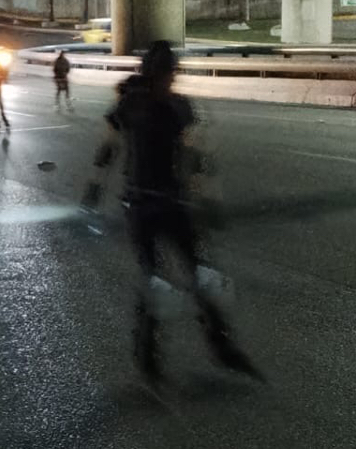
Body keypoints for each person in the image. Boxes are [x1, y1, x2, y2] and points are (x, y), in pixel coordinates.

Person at [84, 40, 257, 381]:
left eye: (171, 75)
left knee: (196, 274)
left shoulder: (160, 105)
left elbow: (195, 157)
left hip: (166, 203)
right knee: (158, 278)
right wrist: (93, 188)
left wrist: (209, 198)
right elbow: (110, 148)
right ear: (161, 74)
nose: (170, 81)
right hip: (147, 204)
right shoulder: (140, 104)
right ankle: (150, 351)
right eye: (168, 74)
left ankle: (218, 344)